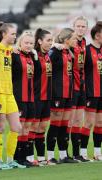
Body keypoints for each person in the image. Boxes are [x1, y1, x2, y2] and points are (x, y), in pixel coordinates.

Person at [0, 22, 23, 169]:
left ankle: (10, 159)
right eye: (12, 34)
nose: (15, 36)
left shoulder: (11, 50)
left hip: (9, 93)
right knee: (0, 127)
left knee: (16, 126)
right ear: (3, 34)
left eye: (15, 34)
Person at [46, 28, 78, 164]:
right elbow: (45, 61)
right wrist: (53, 46)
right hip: (57, 94)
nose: (76, 41)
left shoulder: (69, 53)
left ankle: (64, 154)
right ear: (66, 40)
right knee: (55, 125)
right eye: (74, 38)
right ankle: (50, 156)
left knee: (65, 125)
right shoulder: (55, 52)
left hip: (68, 94)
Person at [29, 28, 53, 166]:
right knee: (33, 127)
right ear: (39, 41)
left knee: (42, 128)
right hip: (36, 96)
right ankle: (31, 157)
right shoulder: (34, 56)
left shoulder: (48, 55)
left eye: (51, 40)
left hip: (47, 97)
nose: (50, 43)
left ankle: (42, 158)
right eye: (48, 40)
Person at [12, 31, 35, 167]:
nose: (28, 45)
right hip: (19, 96)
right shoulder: (15, 55)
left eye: (31, 43)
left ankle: (23, 157)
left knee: (27, 127)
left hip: (31, 97)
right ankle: (16, 157)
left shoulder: (32, 56)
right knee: (19, 127)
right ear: (20, 42)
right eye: (26, 42)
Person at [68, 16, 89, 162]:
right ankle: (63, 153)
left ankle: (76, 154)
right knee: (68, 122)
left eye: (83, 26)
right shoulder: (70, 42)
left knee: (78, 122)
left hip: (82, 86)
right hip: (71, 87)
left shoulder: (84, 42)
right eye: (78, 26)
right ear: (73, 27)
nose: (80, 28)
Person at [81, 21, 102, 161]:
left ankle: (97, 152)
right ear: (97, 35)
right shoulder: (86, 50)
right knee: (88, 123)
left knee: (100, 123)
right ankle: (83, 152)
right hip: (91, 92)